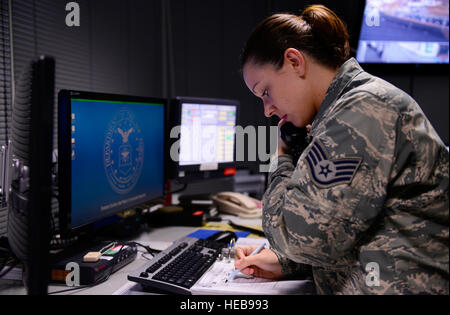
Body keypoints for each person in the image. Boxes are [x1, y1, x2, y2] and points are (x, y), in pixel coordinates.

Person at [235, 4, 449, 294]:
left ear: (294, 61)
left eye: (266, 91)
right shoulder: (341, 112)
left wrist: (282, 157)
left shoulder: (363, 110)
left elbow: (301, 238)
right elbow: (347, 231)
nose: (267, 110)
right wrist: (285, 263)